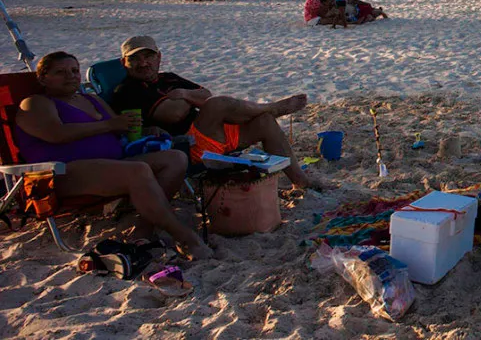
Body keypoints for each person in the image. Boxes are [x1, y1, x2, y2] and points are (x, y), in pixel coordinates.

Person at [17, 51, 213, 259]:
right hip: (63, 172)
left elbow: (119, 129)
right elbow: (56, 133)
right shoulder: (35, 103)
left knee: (175, 159)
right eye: (61, 72)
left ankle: (144, 229)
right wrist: (108, 125)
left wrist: (145, 130)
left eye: (74, 70)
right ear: (43, 78)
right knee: (137, 170)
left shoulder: (91, 100)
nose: (71, 76)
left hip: (111, 164)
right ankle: (185, 238)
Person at [110, 36, 323, 190]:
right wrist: (193, 100)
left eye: (148, 56)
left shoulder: (169, 78)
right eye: (135, 59)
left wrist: (183, 94)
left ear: (159, 57)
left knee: (265, 122)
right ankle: (272, 107)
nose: (143, 63)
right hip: (185, 147)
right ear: (123, 63)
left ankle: (301, 182)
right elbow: (174, 114)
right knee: (216, 105)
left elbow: (205, 94)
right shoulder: (128, 89)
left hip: (211, 134)